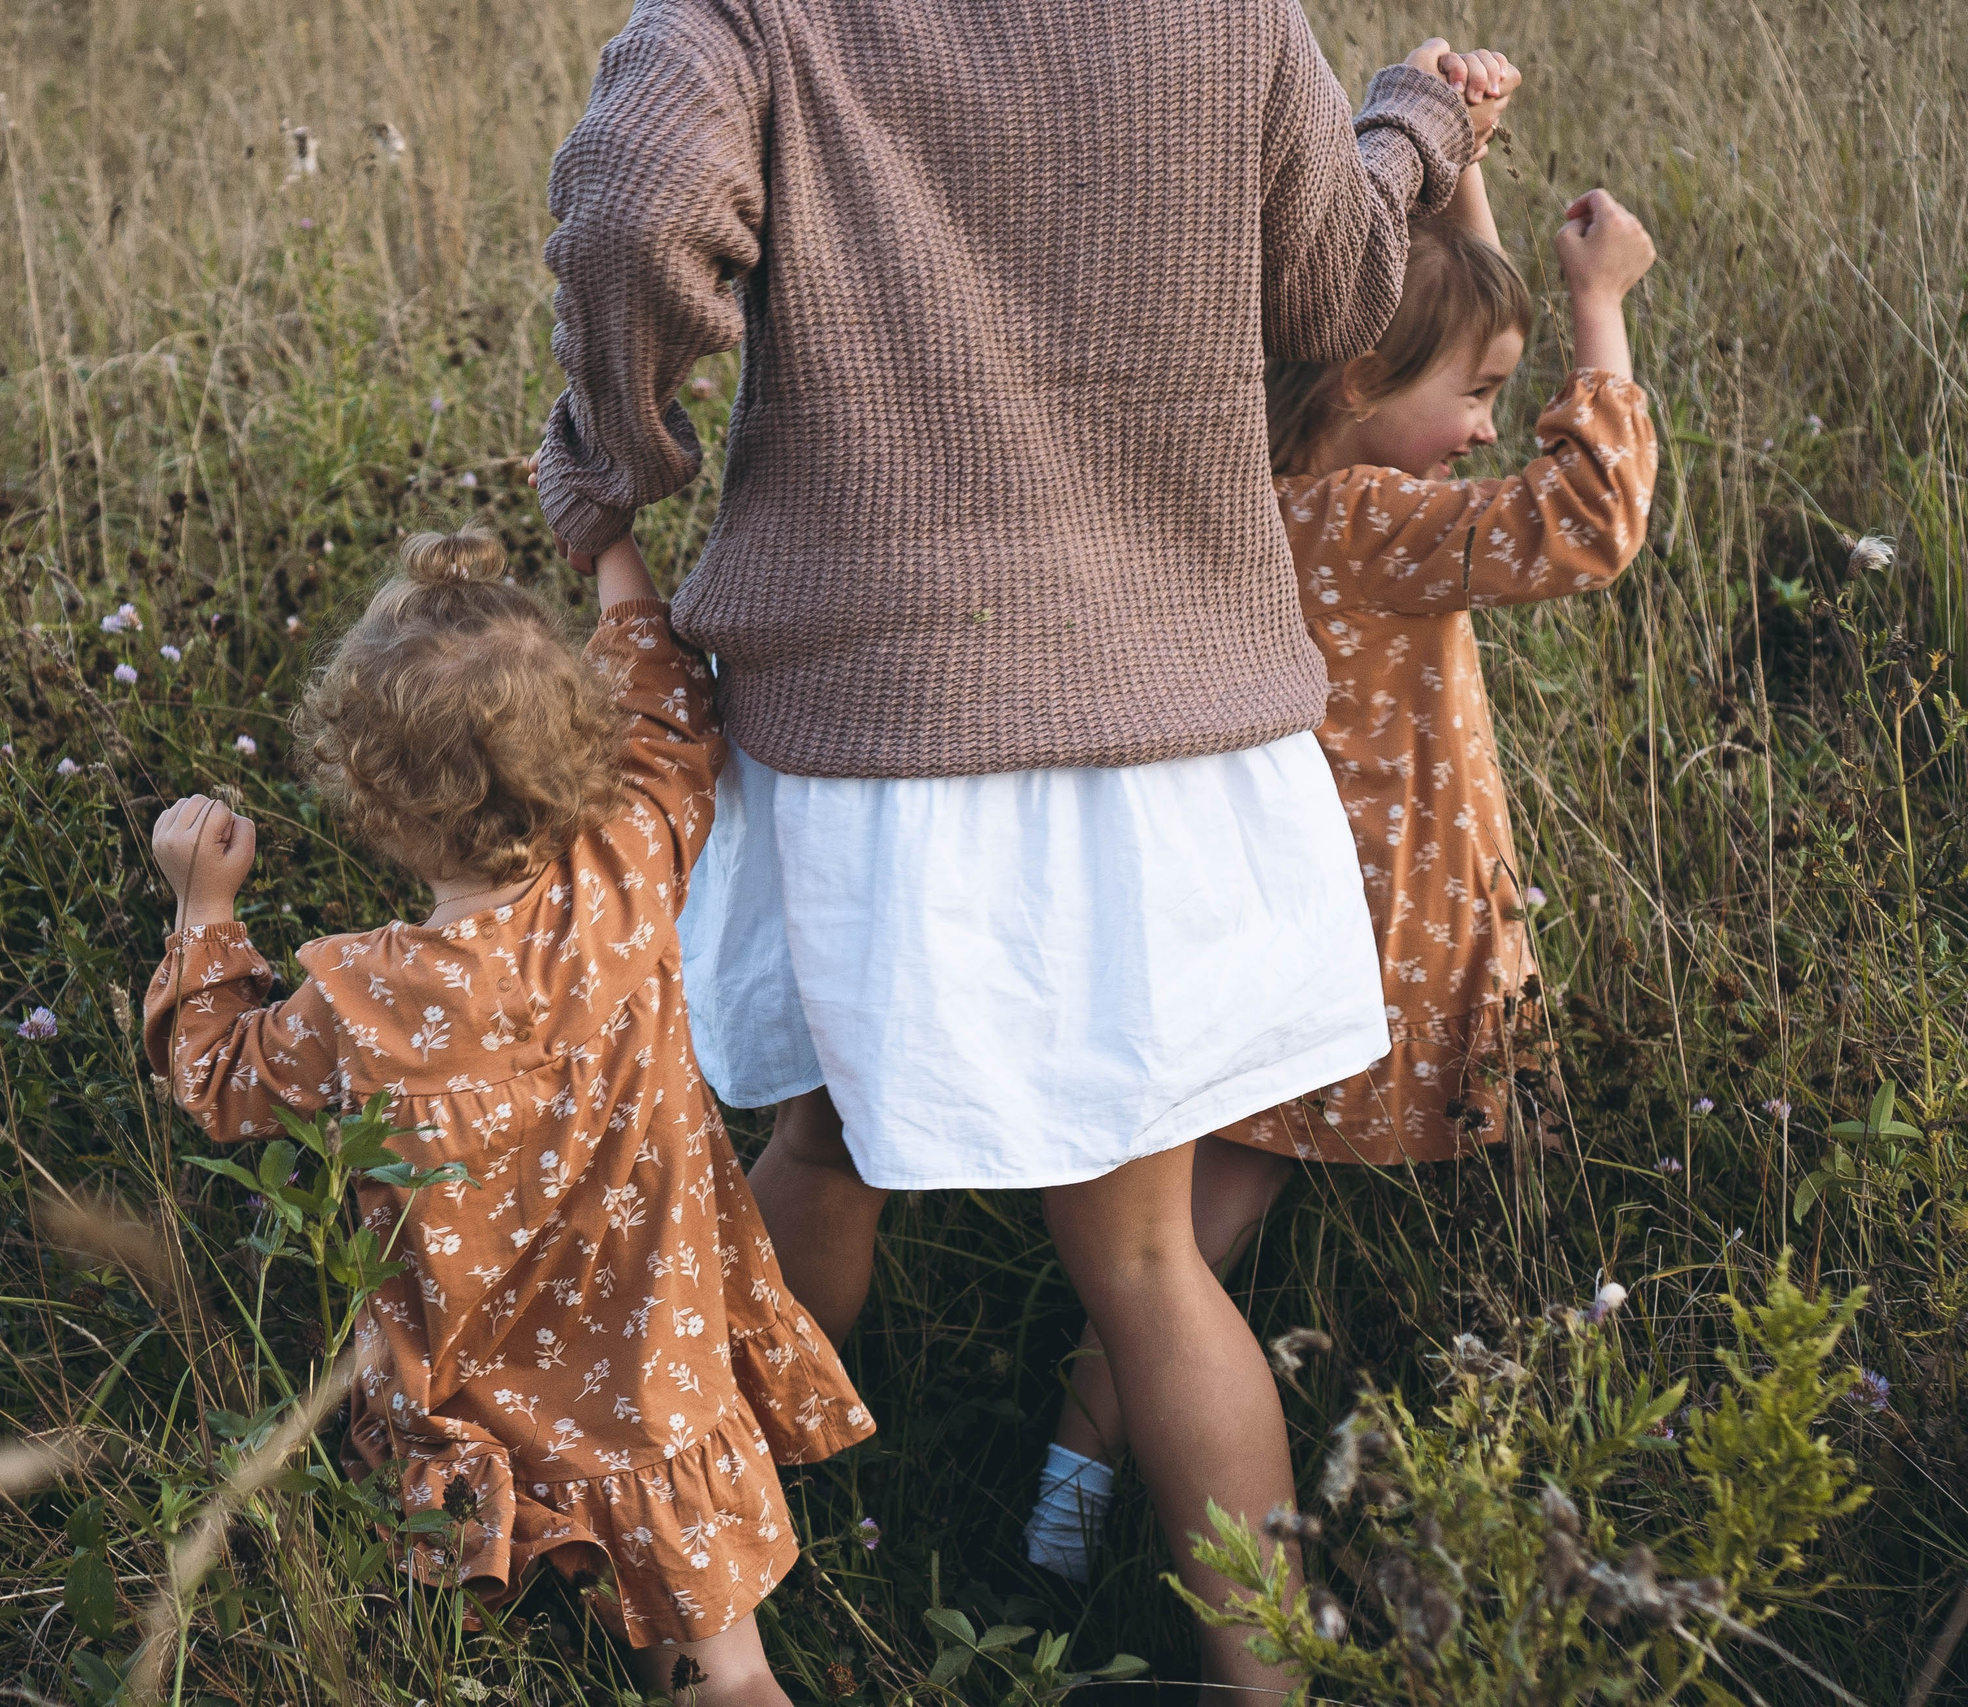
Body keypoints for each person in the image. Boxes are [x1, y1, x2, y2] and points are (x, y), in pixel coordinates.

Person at [533, 0, 1506, 1692]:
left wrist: (615, 460)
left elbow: (630, 208)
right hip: (1168, 714)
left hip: (884, 711)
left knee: (830, 1145)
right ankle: (1255, 1683)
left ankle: (702, 1584)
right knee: (1138, 1253)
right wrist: (1413, 125)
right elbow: (1335, 291)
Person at [1026, 139, 1663, 1577]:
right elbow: (1588, 524)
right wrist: (1599, 306)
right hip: (1403, 943)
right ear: (1360, 390)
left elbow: (1428, 329)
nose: (1492, 431)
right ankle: (1538, 1449)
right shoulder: (1376, 524)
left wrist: (1465, 187)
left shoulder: (1251, 494)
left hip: (1266, 933)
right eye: (1482, 400)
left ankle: (1062, 1506)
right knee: (1525, 1194)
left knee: (1181, 1247)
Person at [141, 528, 872, 1707]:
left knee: (626, 1651)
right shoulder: (628, 872)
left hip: (479, 1387)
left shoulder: (362, 998)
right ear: (579, 749)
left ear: (374, 799)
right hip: (651, 1371)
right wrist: (612, 544)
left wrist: (201, 911)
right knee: (710, 1668)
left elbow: (221, 1077)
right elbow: (668, 707)